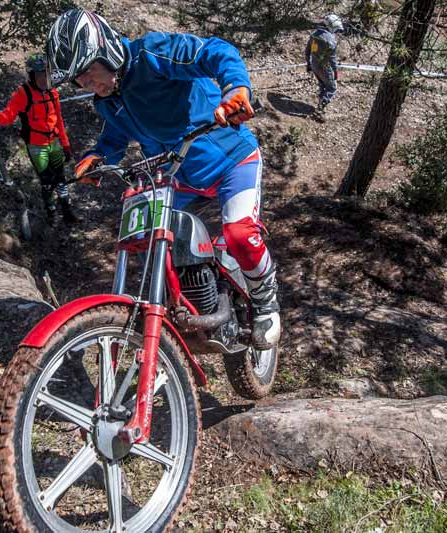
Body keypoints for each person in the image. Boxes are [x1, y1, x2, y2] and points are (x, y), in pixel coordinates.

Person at [44, 8, 280, 350]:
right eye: (78, 81)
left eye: (87, 73)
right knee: (150, 244)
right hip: (175, 178)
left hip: (231, 159)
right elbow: (114, 138)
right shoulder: (108, 102)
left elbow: (213, 51)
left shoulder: (152, 53)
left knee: (240, 233)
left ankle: (264, 298)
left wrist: (235, 89)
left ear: (106, 51)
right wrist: (97, 159)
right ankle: (186, 312)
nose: (86, 84)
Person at [0, 54, 77, 223]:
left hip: (54, 141)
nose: (44, 78)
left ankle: (67, 210)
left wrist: (66, 145)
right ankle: (51, 213)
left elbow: (59, 119)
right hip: (36, 145)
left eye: (46, 74)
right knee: (47, 182)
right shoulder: (23, 93)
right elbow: (9, 115)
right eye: (40, 75)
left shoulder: (53, 92)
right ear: (32, 75)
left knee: (61, 178)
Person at [305, 14, 344, 119]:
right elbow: (333, 60)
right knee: (332, 88)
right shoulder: (331, 41)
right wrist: (335, 72)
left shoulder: (314, 34)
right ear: (331, 27)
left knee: (322, 85)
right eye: (335, 30)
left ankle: (320, 107)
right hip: (324, 66)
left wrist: (308, 63)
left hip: (314, 64)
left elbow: (307, 50)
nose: (336, 32)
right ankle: (320, 108)